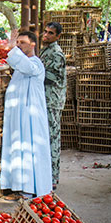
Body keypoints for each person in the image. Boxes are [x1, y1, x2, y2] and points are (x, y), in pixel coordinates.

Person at [0, 30, 52, 199]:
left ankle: (29, 189)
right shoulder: (20, 66)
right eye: (18, 42)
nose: (19, 45)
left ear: (33, 44)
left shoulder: (35, 64)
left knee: (29, 149)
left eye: (22, 42)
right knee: (18, 148)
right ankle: (18, 187)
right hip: (18, 116)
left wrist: (11, 48)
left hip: (30, 117)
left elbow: (25, 66)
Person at [40, 22, 66, 189]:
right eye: (45, 31)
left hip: (52, 101)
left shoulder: (56, 53)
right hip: (47, 99)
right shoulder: (47, 50)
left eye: (50, 33)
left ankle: (52, 178)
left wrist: (34, 71)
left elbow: (52, 77)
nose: (46, 35)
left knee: (52, 138)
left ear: (57, 36)